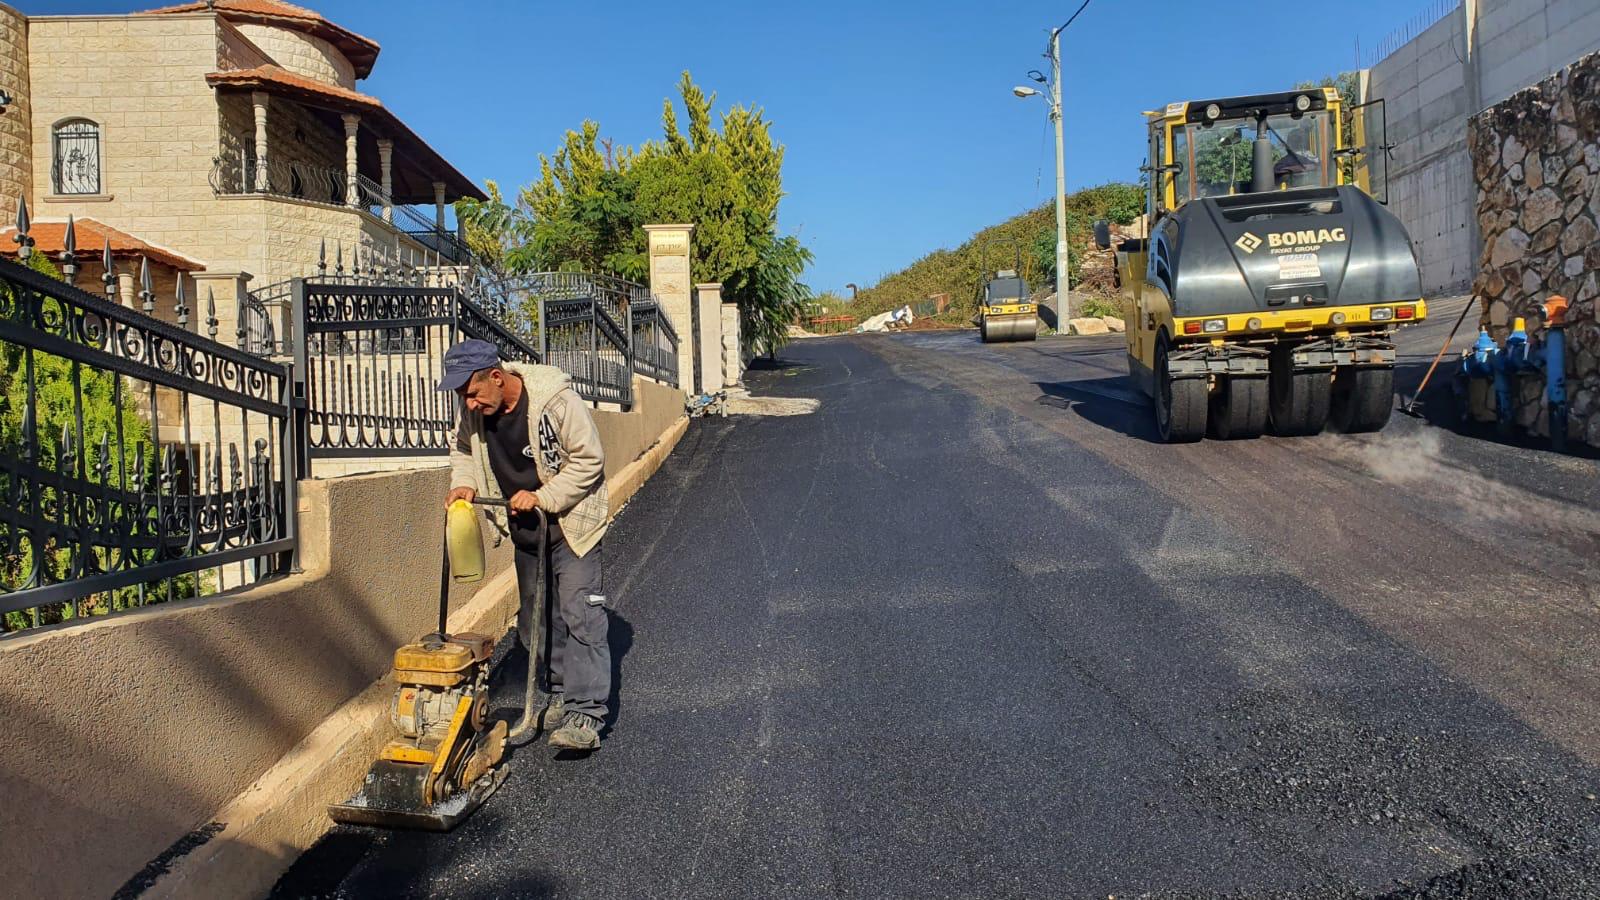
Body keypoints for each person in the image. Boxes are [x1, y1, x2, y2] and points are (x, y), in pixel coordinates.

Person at [439, 339, 610, 751]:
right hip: (525, 528)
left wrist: (544, 497)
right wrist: (464, 482)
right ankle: (556, 689)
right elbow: (461, 448)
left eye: (474, 394)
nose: (470, 404)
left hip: (571, 524)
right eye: (464, 397)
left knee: (579, 612)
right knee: (537, 617)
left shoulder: (556, 401)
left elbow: (590, 460)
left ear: (496, 378)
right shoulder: (474, 412)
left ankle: (586, 712)